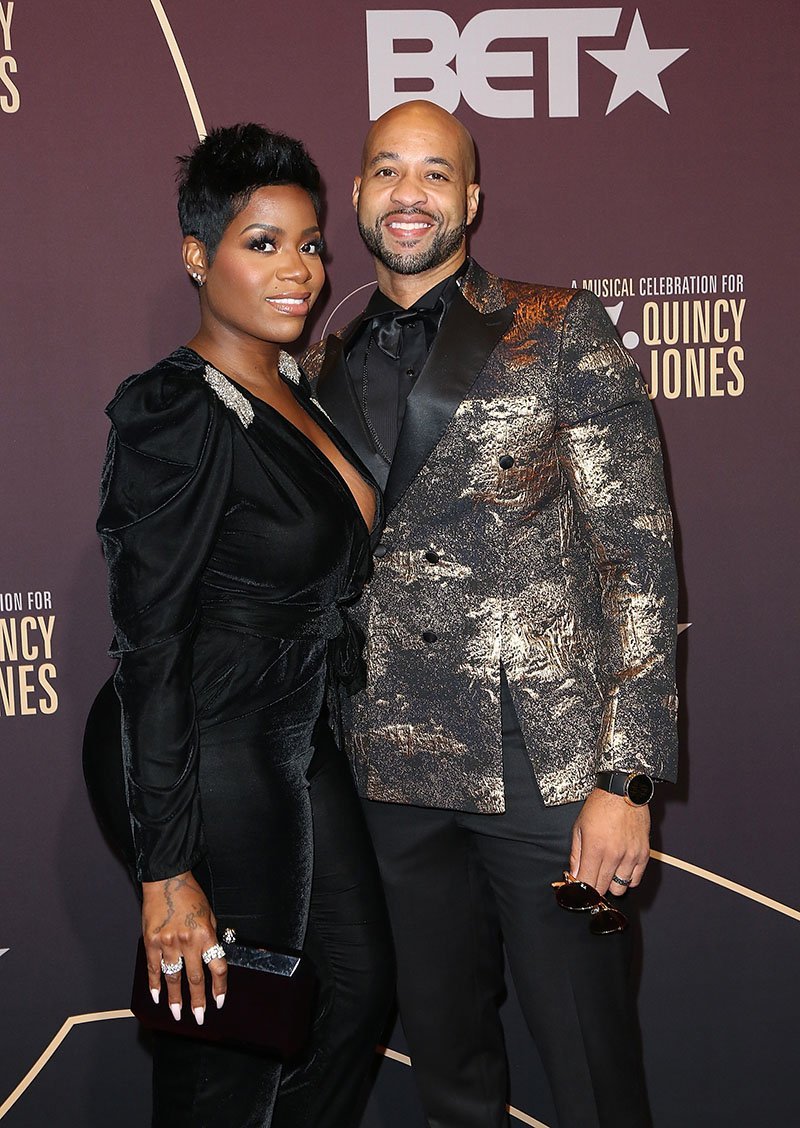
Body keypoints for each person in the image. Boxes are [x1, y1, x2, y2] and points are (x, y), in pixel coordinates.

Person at [302, 100, 678, 1128]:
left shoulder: (557, 326)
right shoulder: (312, 370)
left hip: (545, 771)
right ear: (358, 195)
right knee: (450, 1079)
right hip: (390, 774)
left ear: (470, 198)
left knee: (590, 1066)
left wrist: (624, 779)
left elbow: (635, 557)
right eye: (387, 171)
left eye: (434, 174)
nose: (409, 193)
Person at [83, 123, 393, 1128]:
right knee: (228, 1049)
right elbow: (150, 645)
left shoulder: (295, 385)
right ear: (196, 256)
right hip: (203, 743)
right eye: (262, 244)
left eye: (308, 243)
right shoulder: (177, 408)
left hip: (293, 739)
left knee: (352, 999)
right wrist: (166, 870)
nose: (297, 269)